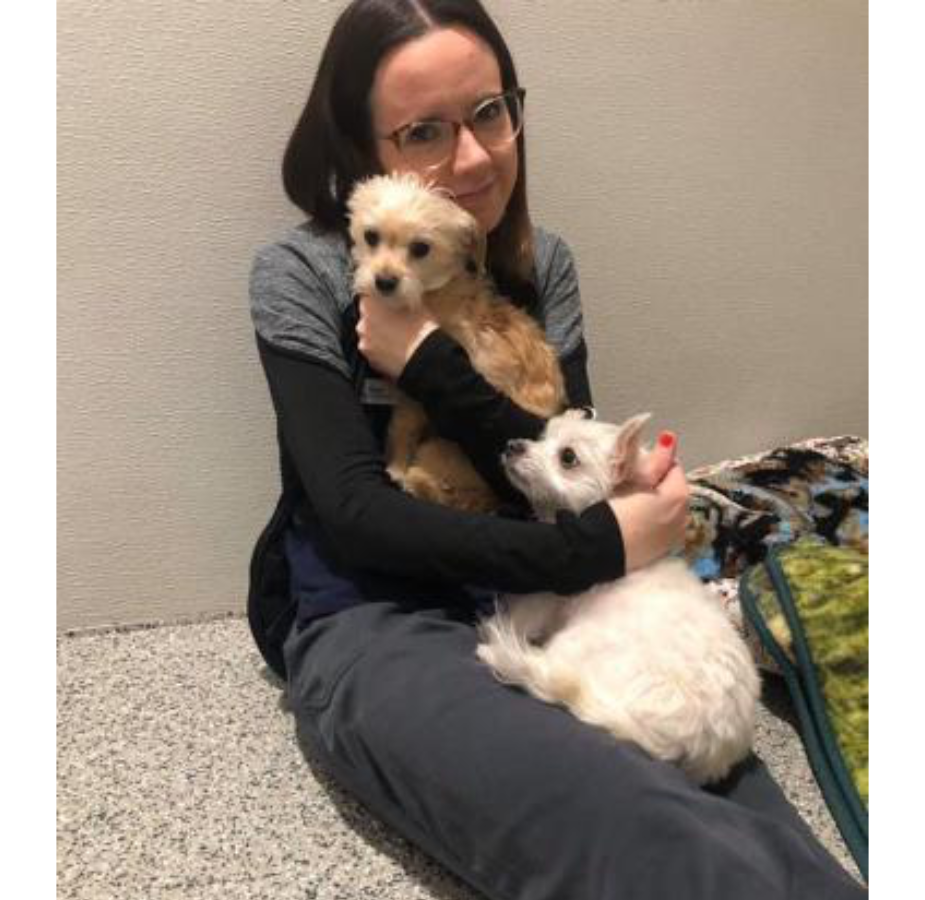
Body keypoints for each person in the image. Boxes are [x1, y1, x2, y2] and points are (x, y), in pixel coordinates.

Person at [248, 2, 866, 897]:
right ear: (358, 145)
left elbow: (554, 460)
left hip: (554, 588)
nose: (471, 157)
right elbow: (354, 516)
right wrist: (601, 545)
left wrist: (426, 364)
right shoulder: (304, 271)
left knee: (719, 782)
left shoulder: (543, 264)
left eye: (490, 112)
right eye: (423, 131)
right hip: (374, 610)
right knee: (639, 838)